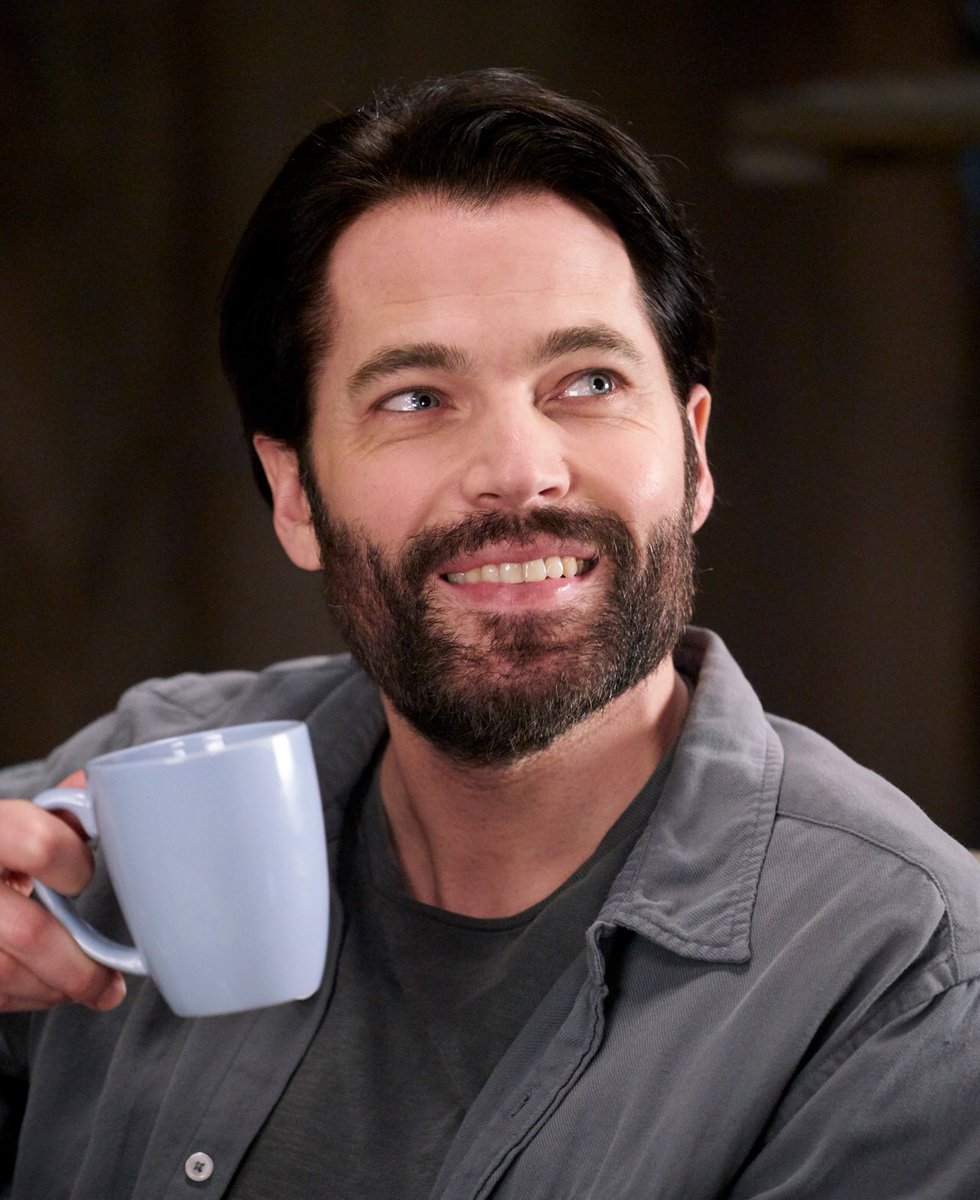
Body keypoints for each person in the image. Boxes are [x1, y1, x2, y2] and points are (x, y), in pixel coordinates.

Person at [1, 68, 978, 1200]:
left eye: (589, 380)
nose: (518, 471)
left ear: (694, 453)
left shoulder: (906, 979)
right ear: (294, 495)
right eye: (415, 398)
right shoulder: (133, 789)